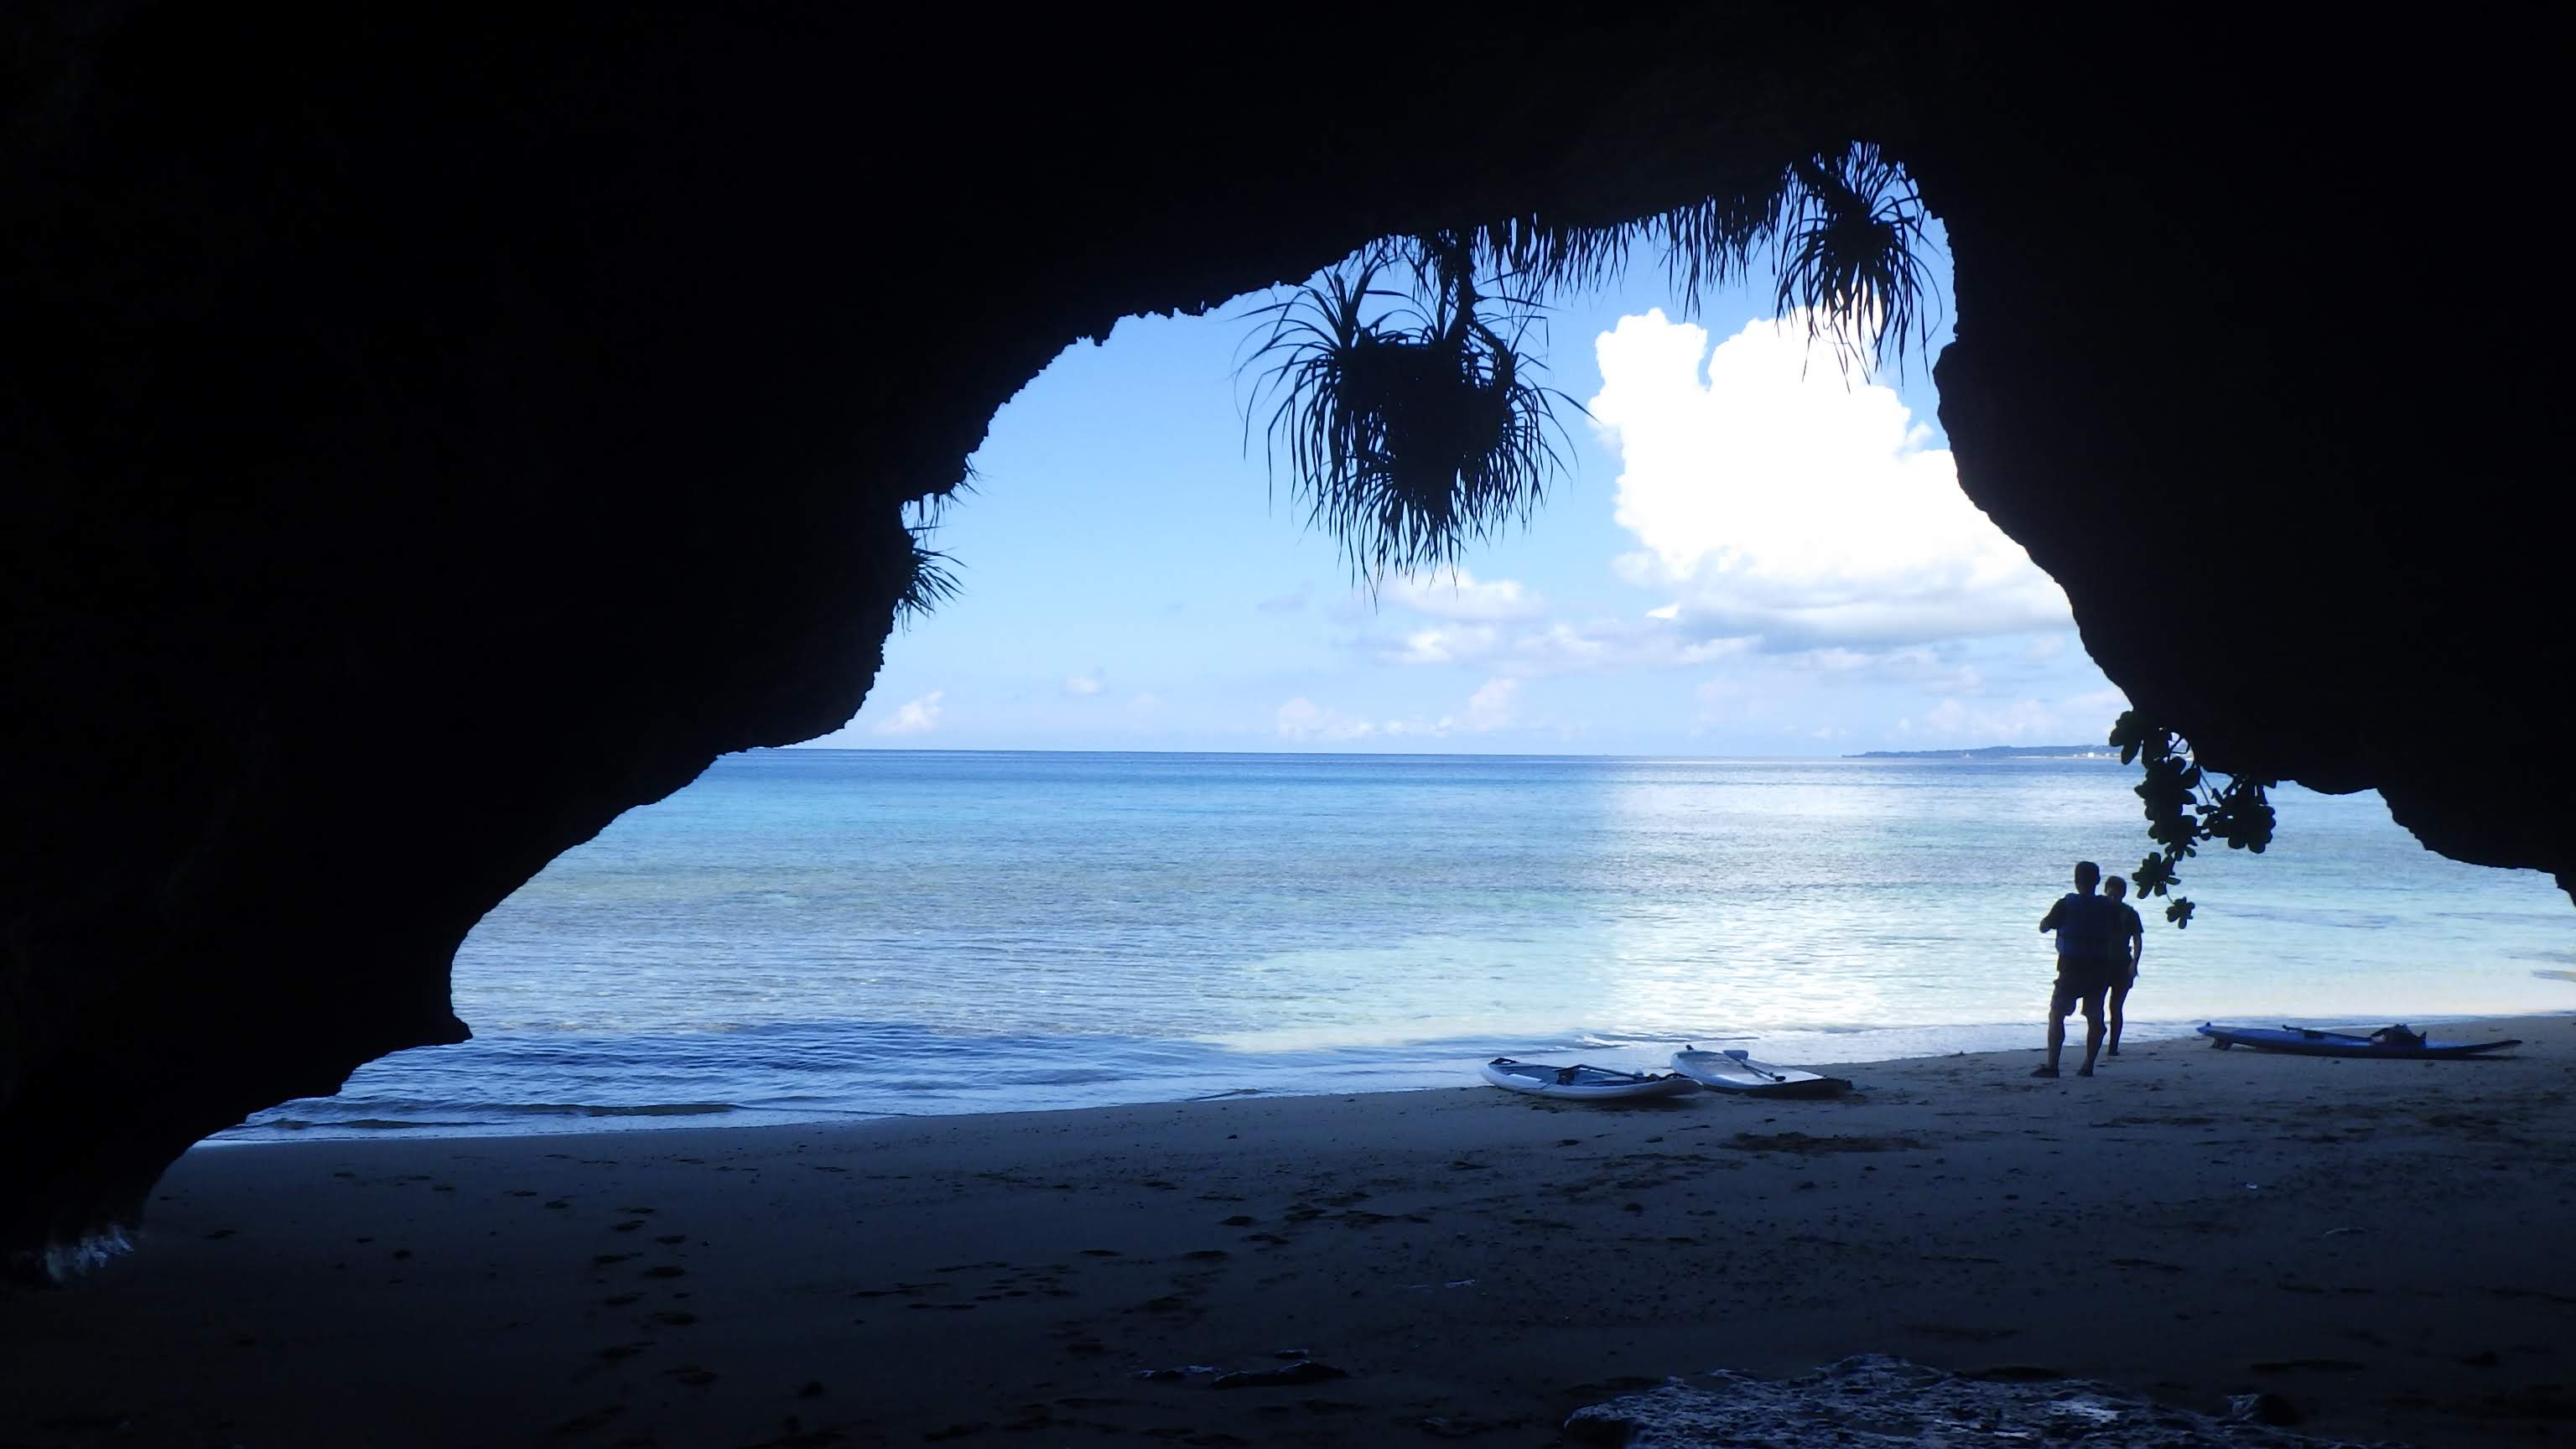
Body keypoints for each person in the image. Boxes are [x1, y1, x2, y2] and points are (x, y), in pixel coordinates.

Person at [2033, 860, 2115, 1078]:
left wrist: (2047, 923)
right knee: (2094, 1017)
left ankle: (2053, 1066)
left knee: (2057, 1014)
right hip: (2099, 970)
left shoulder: (2065, 904)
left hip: (2071, 969)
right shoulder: (2109, 907)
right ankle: (2088, 1066)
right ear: (2097, 881)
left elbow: (2044, 926)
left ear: (2076, 880)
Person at [2102, 875, 2146, 1055]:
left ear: (2123, 895)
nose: (2113, 899)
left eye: (2117, 895)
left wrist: (2134, 963)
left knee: (2116, 1007)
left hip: (2122, 964)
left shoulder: (2130, 914)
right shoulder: (2098, 911)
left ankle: (2113, 1046)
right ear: (2105, 892)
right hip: (2100, 964)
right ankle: (2098, 1038)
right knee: (2096, 1006)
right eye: (2111, 895)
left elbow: (2137, 940)